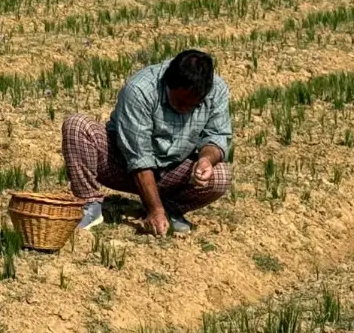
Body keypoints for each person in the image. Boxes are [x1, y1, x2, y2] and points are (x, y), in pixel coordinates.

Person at [62, 49, 232, 235]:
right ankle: (89, 205)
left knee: (220, 176)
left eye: (191, 105)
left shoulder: (217, 90)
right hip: (121, 163)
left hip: (171, 170)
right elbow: (139, 157)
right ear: (168, 83)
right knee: (77, 126)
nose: (183, 109)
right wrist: (154, 209)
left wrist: (206, 159)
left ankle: (169, 211)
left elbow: (217, 136)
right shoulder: (140, 90)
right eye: (179, 102)